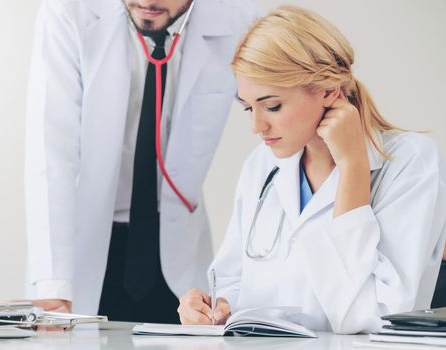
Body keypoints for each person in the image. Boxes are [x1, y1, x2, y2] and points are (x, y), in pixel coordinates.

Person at [177, 5, 446, 333]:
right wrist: (213, 308)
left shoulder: (410, 163)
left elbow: (370, 316)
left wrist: (353, 168)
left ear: (330, 90)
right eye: (248, 107)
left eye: (272, 105)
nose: (256, 125)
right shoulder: (263, 164)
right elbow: (233, 281)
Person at [24, 0, 259, 323]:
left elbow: (288, 97)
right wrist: (52, 284)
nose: (148, 2)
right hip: (86, 250)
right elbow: (52, 154)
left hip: (179, 255)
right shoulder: (69, 12)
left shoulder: (238, 19)